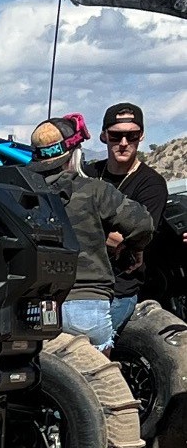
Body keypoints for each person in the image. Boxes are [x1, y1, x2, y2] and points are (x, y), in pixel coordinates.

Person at [27, 114, 153, 352]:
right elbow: (143, 224)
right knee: (96, 385)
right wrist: (135, 248)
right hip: (86, 304)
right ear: (76, 154)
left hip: (32, 310)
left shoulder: (18, 193)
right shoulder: (94, 190)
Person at [85, 102, 168, 334]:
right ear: (104, 136)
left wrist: (86, 229)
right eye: (116, 135)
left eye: (131, 135)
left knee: (90, 352)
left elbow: (127, 241)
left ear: (141, 136)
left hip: (118, 288)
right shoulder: (88, 175)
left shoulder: (151, 184)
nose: (123, 143)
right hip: (77, 283)